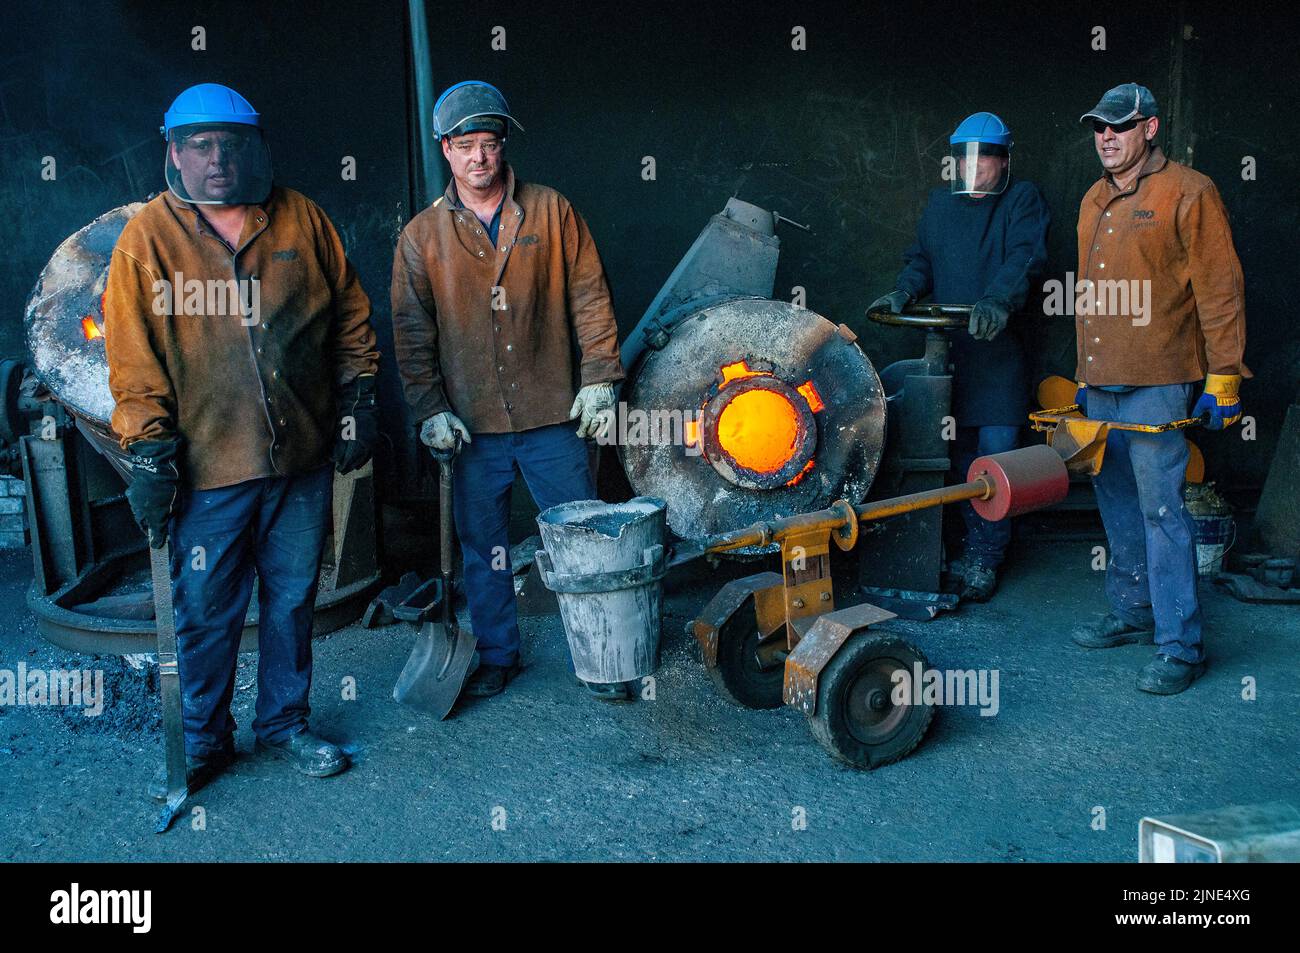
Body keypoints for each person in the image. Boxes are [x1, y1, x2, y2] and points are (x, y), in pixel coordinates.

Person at [104, 83, 381, 796]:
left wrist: (359, 395)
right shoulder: (147, 242)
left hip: (301, 455)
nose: (217, 159)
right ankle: (204, 738)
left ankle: (285, 722)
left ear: (254, 148)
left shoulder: (301, 220)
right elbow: (132, 356)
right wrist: (150, 446)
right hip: (210, 467)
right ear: (174, 153)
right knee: (208, 607)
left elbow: (350, 310)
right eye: (200, 145)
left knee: (291, 600)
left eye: (232, 144)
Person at [391, 81, 627, 700]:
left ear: (502, 148)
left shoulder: (551, 211)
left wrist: (601, 378)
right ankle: (499, 656)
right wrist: (430, 410)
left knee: (584, 539)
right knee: (483, 550)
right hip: (472, 425)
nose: (479, 158)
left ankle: (603, 655)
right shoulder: (421, 237)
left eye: (488, 145)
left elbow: (590, 299)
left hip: (551, 414)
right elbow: (412, 334)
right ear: (446, 150)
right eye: (465, 146)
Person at [1068, 83, 1248, 694]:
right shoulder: (1094, 198)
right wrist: (1083, 379)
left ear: (1150, 129)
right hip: (1101, 382)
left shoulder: (1189, 191)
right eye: (1099, 128)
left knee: (1162, 513)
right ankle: (1133, 611)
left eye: (1120, 127)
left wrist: (1223, 378)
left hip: (1159, 383)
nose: (1107, 138)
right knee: (1117, 505)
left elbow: (1220, 291)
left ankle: (1180, 645)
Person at [869, 112, 1051, 601]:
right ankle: (944, 551)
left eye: (984, 158)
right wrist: (903, 293)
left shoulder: (1021, 201)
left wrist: (998, 299)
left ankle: (985, 559)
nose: (973, 169)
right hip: (951, 361)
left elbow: (1025, 258)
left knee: (994, 463)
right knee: (951, 459)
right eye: (964, 159)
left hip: (997, 362)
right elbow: (921, 260)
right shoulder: (939, 206)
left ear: (1004, 161)